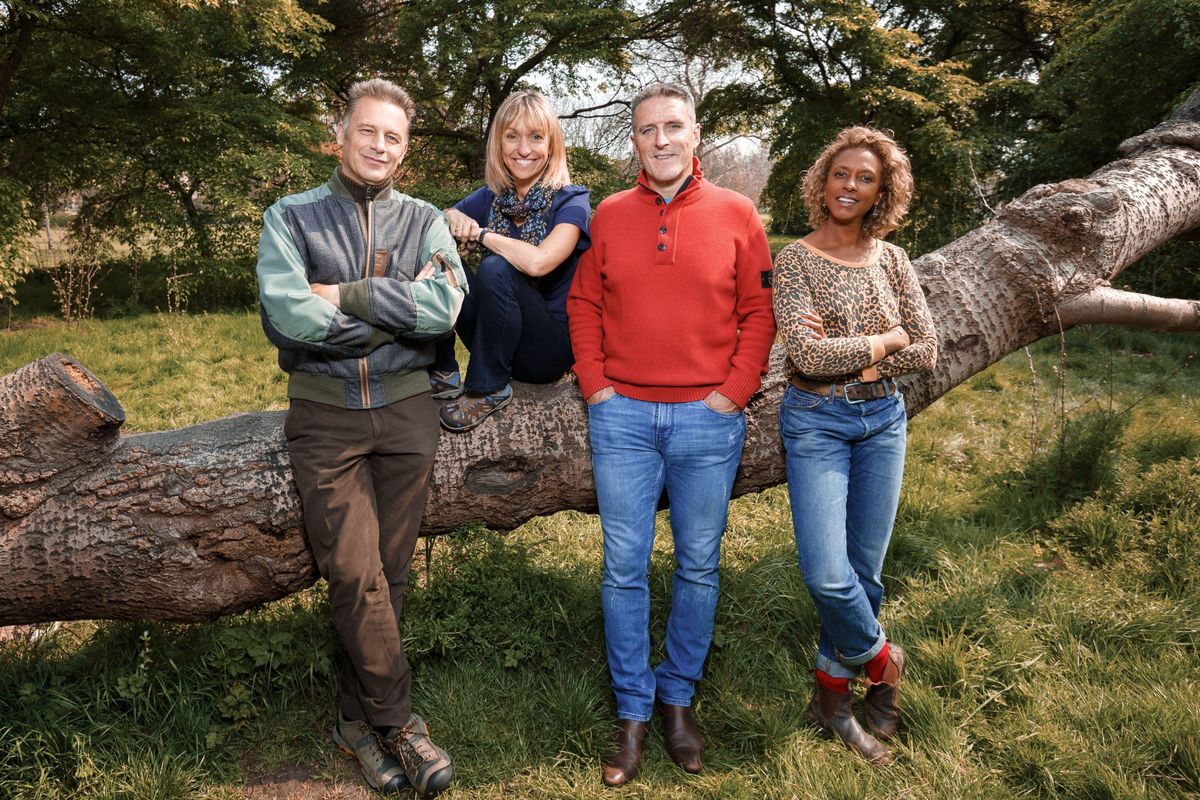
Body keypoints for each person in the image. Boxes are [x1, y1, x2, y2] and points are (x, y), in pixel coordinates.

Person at [568, 82, 798, 787]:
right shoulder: (608, 215)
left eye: (674, 127)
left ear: (697, 135)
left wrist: (732, 395)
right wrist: (597, 386)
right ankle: (633, 711)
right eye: (647, 130)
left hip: (708, 419)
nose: (661, 140)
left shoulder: (737, 214)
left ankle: (678, 701)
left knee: (698, 564)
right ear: (634, 142)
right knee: (624, 567)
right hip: (624, 420)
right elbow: (583, 301)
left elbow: (760, 311)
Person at [256, 78, 466, 797]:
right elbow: (287, 316)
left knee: (390, 575)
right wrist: (394, 313)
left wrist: (341, 296)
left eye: (394, 137)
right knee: (353, 573)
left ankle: (355, 722)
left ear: (405, 150)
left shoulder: (425, 220)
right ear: (338, 134)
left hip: (408, 414)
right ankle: (403, 725)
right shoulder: (290, 217)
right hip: (326, 416)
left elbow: (442, 309)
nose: (380, 146)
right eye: (368, 131)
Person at [773, 126, 937, 765]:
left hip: (882, 426)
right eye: (841, 173)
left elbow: (927, 348)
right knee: (827, 574)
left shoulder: (891, 260)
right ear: (823, 180)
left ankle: (832, 701)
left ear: (881, 191)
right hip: (815, 423)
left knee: (864, 574)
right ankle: (883, 661)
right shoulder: (794, 260)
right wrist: (883, 341)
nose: (850, 186)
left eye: (865, 178)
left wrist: (868, 364)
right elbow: (807, 356)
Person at [432, 90, 590, 432]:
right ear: (499, 143)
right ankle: (442, 369)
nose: (523, 149)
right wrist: (451, 218)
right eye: (512, 136)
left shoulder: (572, 201)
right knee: (441, 258)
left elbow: (539, 263)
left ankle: (487, 388)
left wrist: (482, 234)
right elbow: (440, 219)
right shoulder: (492, 196)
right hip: (496, 336)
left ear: (551, 145)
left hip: (546, 351)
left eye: (536, 137)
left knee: (495, 267)